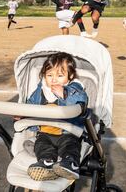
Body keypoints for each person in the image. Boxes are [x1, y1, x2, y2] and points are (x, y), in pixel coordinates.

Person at [25, 53, 88, 181]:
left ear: (70, 76)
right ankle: (46, 164)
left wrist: (65, 94)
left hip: (67, 133)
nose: (54, 80)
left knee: (71, 146)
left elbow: (81, 100)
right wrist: (22, 114)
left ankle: (70, 164)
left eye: (60, 75)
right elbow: (31, 104)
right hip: (45, 133)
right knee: (41, 146)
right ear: (44, 75)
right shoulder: (40, 90)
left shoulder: (73, 88)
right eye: (49, 75)